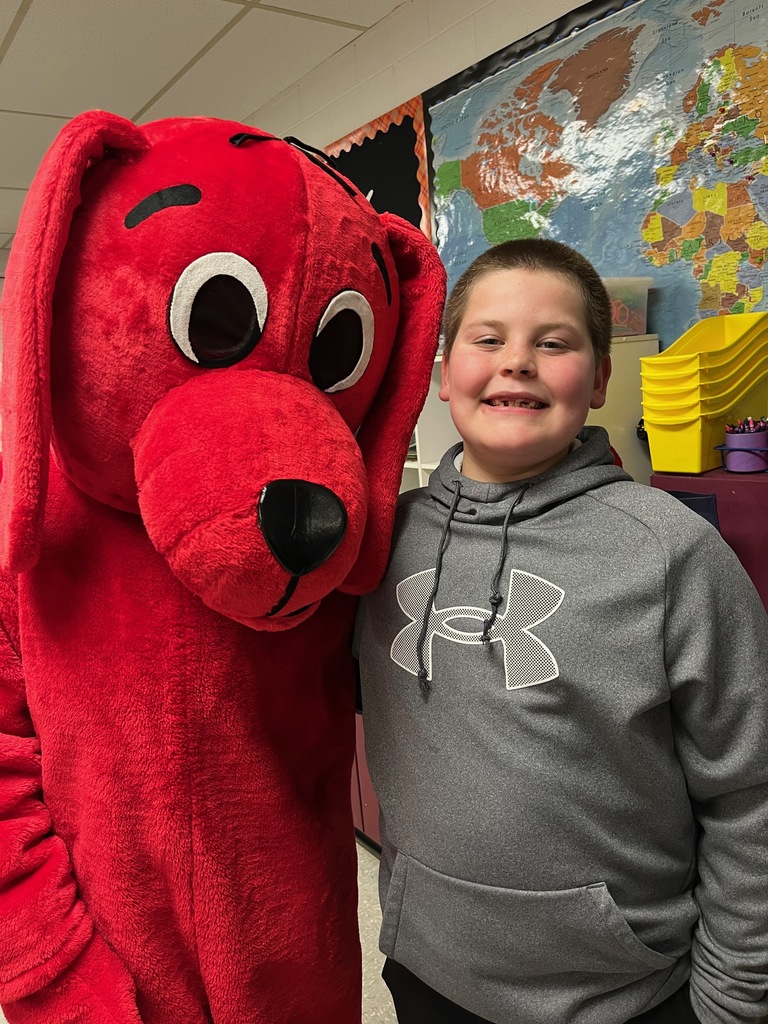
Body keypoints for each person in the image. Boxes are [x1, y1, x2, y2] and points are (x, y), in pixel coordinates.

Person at [354, 239, 768, 1024]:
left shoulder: (670, 552)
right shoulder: (380, 541)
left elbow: (751, 795)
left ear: (600, 376)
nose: (517, 363)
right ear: (444, 374)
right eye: (488, 339)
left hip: (628, 996)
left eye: (554, 342)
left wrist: (732, 1003)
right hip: (427, 972)